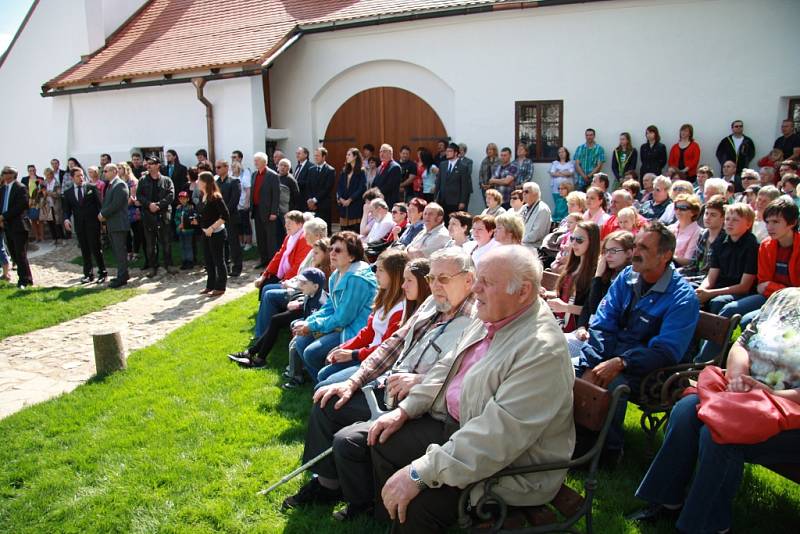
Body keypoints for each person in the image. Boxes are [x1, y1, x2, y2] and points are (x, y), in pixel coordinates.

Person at [369, 245, 574, 532]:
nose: (474, 288)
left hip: (511, 467)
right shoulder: (493, 313)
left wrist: (420, 472)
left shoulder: (541, 350)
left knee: (419, 506)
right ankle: (388, 521)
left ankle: (402, 520)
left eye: (486, 282)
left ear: (524, 291)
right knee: (381, 441)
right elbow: (445, 365)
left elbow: (497, 436)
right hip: (461, 428)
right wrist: (405, 409)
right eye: (477, 278)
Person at [282, 249, 476, 518]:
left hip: (423, 406)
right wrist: (353, 381)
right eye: (431, 278)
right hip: (389, 389)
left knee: (348, 439)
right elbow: (393, 343)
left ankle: (363, 505)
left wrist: (419, 381)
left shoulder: (477, 321)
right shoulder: (434, 303)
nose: (434, 286)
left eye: (443, 278)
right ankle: (328, 485)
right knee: (328, 401)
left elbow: (465, 378)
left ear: (469, 280)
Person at [627, 287, 800, 534]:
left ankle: (707, 525)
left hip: (790, 412)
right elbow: (742, 343)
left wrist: (768, 394)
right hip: (746, 397)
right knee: (687, 409)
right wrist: (739, 377)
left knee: (719, 434)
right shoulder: (786, 297)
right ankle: (667, 502)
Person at [576, 221, 699, 460]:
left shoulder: (683, 298)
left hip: (655, 370)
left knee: (613, 382)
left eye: (643, 248)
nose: (635, 252)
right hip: (615, 356)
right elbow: (603, 323)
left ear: (665, 255)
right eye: (635, 245)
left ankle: (607, 452)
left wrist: (621, 362)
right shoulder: (627, 277)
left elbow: (666, 351)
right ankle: (574, 438)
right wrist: (594, 362)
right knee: (571, 368)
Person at [288, 231, 377, 385]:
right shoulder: (337, 274)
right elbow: (330, 307)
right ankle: (321, 384)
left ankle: (326, 385)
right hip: (341, 326)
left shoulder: (357, 279)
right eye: (331, 249)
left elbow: (342, 318)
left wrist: (312, 326)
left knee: (311, 353)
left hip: (354, 331)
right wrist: (308, 322)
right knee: (301, 341)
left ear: (351, 256)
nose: (332, 253)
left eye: (338, 250)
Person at [316, 249, 409, 386]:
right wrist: (342, 347)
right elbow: (368, 332)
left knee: (324, 382)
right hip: (367, 354)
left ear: (395, 274)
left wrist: (353, 354)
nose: (375, 274)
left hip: (378, 363)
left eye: (381, 270)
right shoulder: (383, 298)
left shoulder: (400, 310)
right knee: (323, 373)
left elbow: (384, 349)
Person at [694, 203, 759, 362]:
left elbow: (744, 286)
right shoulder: (721, 240)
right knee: (689, 298)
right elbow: (712, 275)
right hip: (719, 287)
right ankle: (690, 352)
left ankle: (707, 359)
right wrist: (702, 291)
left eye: (735, 220)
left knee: (718, 303)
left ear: (748, 224)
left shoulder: (752, 245)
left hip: (739, 292)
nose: (729, 223)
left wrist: (710, 293)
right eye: (728, 219)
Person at [229, 267, 329, 369]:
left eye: (304, 283)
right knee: (276, 319)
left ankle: (258, 358)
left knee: (277, 320)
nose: (300, 285)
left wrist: (298, 323)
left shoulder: (319, 303)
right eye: (300, 281)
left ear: (315, 286)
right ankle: (252, 353)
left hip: (312, 328)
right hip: (305, 315)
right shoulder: (311, 293)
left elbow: (315, 325)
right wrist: (300, 304)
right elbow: (308, 302)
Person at [253, 218, 329, 338]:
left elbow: (310, 281)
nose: (305, 236)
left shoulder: (319, 252)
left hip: (301, 292)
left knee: (269, 294)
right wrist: (289, 281)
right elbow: (302, 273)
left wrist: (291, 284)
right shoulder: (313, 250)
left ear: (318, 235)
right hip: (298, 286)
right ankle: (264, 328)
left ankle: (262, 333)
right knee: (267, 288)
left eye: (307, 234)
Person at [745, 197, 800, 329]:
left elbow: (767, 286)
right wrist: (774, 288)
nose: (770, 227)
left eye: (775, 222)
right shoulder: (766, 245)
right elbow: (762, 283)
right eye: (767, 222)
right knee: (726, 308)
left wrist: (772, 287)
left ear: (792, 223)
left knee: (747, 321)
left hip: (795, 303)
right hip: (771, 298)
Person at [571, 230, 635, 342]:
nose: (608, 255)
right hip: (587, 333)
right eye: (605, 251)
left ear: (629, 253)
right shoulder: (607, 274)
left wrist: (598, 277)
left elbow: (596, 309)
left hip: (605, 339)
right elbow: (587, 307)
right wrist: (581, 327)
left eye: (613, 251)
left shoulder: (629, 281)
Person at [543, 221, 600, 332]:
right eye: (572, 238)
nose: (574, 243)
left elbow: (593, 310)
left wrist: (565, 307)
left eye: (579, 240)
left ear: (592, 242)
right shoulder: (572, 266)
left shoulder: (596, 273)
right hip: (558, 323)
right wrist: (546, 294)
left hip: (575, 330)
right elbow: (563, 296)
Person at [62, 167, 105, 284]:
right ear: (72, 178)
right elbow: (67, 210)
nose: (81, 178)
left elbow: (100, 205)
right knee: (85, 250)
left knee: (96, 248)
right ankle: (88, 274)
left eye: (82, 175)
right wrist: (66, 219)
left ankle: (102, 272)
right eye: (77, 176)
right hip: (80, 225)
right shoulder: (68, 193)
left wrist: (103, 221)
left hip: (93, 223)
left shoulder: (91, 188)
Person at [136, 156, 177, 277]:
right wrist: (149, 205)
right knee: (150, 244)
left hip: (163, 215)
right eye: (147, 164)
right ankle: (153, 266)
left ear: (158, 165)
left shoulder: (167, 180)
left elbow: (171, 195)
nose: (148, 165)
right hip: (148, 216)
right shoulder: (143, 180)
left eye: (151, 163)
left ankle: (168, 264)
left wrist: (158, 205)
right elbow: (139, 196)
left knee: (166, 241)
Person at [192, 172, 229, 296]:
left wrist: (212, 228)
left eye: (199, 180)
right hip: (205, 234)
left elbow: (225, 215)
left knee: (219, 260)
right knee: (208, 261)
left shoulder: (215, 196)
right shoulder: (204, 195)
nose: (197, 182)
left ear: (205, 182)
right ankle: (210, 285)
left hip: (216, 233)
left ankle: (220, 287)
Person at [677, 194, 725, 289]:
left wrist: (684, 279)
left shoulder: (724, 240)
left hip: (710, 281)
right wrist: (677, 273)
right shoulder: (703, 234)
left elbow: (711, 274)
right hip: (697, 275)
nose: (708, 217)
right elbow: (694, 265)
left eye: (713, 215)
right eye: (706, 213)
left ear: (722, 218)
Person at [258, 211, 313, 290]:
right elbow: (279, 256)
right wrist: (265, 274)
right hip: (284, 274)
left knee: (267, 289)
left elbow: (298, 265)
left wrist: (284, 280)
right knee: (265, 281)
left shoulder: (303, 239)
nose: (286, 225)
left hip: (294, 279)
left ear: (300, 224)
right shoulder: (289, 237)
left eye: (290, 223)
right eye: (286, 223)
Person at [98, 164, 131, 288]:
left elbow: (116, 204)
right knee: (117, 251)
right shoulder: (111, 185)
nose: (104, 173)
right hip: (113, 223)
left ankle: (122, 276)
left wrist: (103, 214)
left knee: (120, 251)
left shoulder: (119, 184)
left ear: (114, 171)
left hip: (119, 223)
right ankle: (122, 274)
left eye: (106, 171)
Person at [0, 167, 33, 287]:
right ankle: (27, 278)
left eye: (9, 173)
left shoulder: (20, 187)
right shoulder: (3, 189)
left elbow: (21, 206)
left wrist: (3, 216)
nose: (6, 176)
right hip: (7, 225)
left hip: (19, 225)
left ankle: (23, 281)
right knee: (14, 255)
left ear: (14, 175)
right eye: (4, 173)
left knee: (20, 254)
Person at [251, 152, 281, 267]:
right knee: (260, 237)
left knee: (270, 238)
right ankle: (263, 259)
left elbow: (276, 195)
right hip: (257, 210)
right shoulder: (254, 174)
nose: (255, 163)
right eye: (255, 160)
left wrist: (274, 212)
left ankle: (272, 263)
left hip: (268, 212)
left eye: (257, 160)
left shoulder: (272, 175)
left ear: (264, 162)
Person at [215, 160, 242, 277]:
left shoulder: (234, 181)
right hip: (219, 218)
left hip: (231, 217)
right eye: (216, 167)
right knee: (222, 244)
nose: (217, 169)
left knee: (233, 243)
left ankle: (237, 267)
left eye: (219, 167)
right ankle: (224, 266)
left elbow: (234, 200)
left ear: (226, 168)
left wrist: (224, 213)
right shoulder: (216, 183)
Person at [435, 142, 471, 217]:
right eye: (447, 151)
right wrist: (435, 198)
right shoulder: (443, 165)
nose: (447, 153)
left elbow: (465, 186)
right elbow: (438, 182)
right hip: (442, 200)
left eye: (450, 151)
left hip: (455, 201)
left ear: (456, 153)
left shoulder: (463, 167)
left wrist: (462, 201)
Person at [337, 148, 368, 232]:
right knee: (344, 231)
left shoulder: (361, 171)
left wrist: (350, 199)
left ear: (355, 157)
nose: (347, 157)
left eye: (349, 155)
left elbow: (362, 187)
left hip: (355, 205)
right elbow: (339, 186)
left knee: (354, 230)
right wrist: (340, 198)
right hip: (344, 206)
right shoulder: (344, 171)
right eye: (346, 155)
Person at [668, 193, 702, 266]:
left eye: (683, 208)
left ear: (693, 212)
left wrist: (668, 257)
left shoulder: (698, 232)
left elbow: (688, 261)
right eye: (676, 207)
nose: (678, 210)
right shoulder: (670, 228)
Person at [305, 147, 336, 228]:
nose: (316, 158)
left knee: (323, 228)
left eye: (318, 156)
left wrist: (315, 200)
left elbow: (327, 188)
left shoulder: (330, 170)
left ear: (324, 157)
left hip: (323, 205)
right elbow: (308, 186)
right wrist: (310, 200)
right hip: (311, 206)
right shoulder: (311, 169)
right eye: (315, 156)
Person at [520, 181, 551, 252]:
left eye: (526, 192)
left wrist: (519, 241)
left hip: (533, 247)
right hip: (522, 244)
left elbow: (536, 234)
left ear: (535, 194)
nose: (523, 194)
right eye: (523, 191)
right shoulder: (524, 207)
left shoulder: (542, 209)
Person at [549, 146, 575, 220]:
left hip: (568, 189)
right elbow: (552, 173)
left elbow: (570, 173)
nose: (561, 153)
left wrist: (559, 172)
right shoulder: (555, 163)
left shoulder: (570, 163)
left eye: (563, 152)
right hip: (556, 190)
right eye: (559, 152)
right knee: (558, 205)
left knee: (567, 205)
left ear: (566, 153)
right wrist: (564, 173)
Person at [175, 191, 196, 269]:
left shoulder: (190, 207)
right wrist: (178, 224)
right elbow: (176, 218)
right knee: (182, 246)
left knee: (188, 246)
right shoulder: (178, 208)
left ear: (187, 199)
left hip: (188, 230)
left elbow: (192, 218)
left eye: (184, 198)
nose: (182, 200)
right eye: (181, 199)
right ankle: (184, 261)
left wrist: (186, 224)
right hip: (180, 230)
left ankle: (190, 261)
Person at [42, 168, 63, 246]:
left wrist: (49, 193)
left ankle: (61, 238)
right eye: (46, 175)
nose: (48, 176)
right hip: (47, 205)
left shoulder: (56, 183)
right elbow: (42, 194)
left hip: (56, 205)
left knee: (58, 222)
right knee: (50, 222)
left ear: (52, 174)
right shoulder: (44, 183)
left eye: (49, 174)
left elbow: (58, 194)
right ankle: (54, 239)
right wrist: (43, 193)